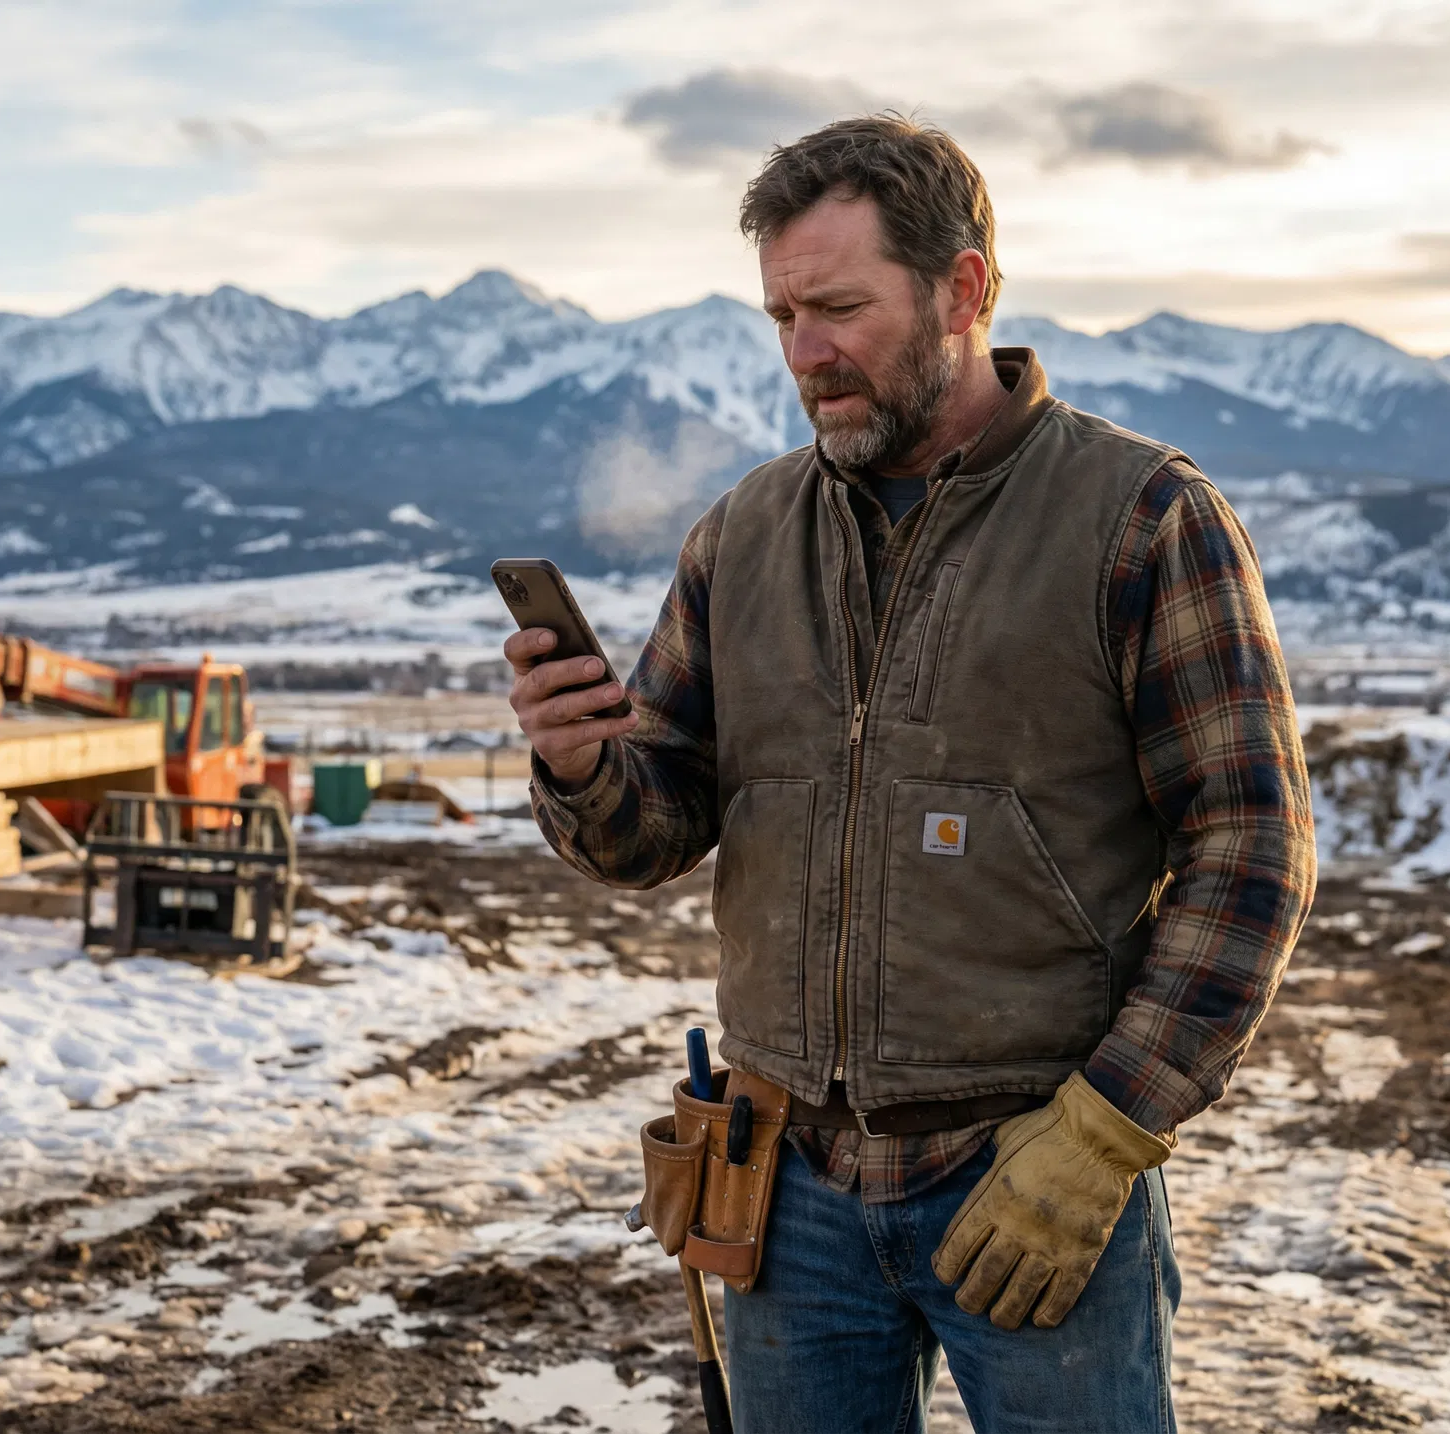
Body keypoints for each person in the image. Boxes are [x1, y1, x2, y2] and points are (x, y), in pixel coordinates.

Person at [505, 114, 1316, 1433]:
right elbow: (653, 828)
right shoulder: (744, 535)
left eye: (838, 306)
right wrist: (585, 763)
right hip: (783, 1191)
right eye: (780, 315)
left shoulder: (1145, 520)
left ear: (965, 289)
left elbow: (1254, 854)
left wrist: (1107, 1131)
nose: (804, 352)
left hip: (1032, 1175)